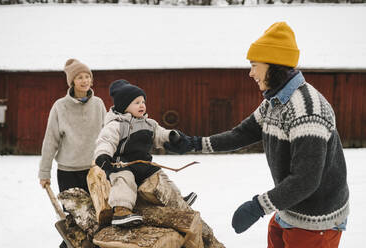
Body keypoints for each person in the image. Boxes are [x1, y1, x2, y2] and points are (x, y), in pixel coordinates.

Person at [164, 22, 349, 248]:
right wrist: (193, 143)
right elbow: (241, 134)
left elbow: (306, 180)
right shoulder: (274, 102)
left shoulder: (307, 111)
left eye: (254, 65)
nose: (250, 73)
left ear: (274, 65)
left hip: (316, 219)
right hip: (288, 208)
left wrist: (258, 206)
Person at [94, 79, 197, 228]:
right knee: (123, 179)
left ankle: (177, 200)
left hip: (143, 163)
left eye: (143, 101)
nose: (142, 105)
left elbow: (160, 134)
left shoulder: (149, 124)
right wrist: (103, 155)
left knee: (159, 175)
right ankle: (121, 210)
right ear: (124, 106)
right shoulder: (116, 125)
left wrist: (171, 136)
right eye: (136, 102)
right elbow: (106, 141)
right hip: (122, 163)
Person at [38, 59, 106, 248]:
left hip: (94, 171)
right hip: (68, 172)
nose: (84, 81)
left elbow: (106, 135)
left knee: (97, 216)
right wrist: (44, 173)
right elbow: (50, 140)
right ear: (72, 82)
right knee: (75, 218)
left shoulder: (99, 104)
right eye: (79, 77)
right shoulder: (60, 106)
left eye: (87, 77)